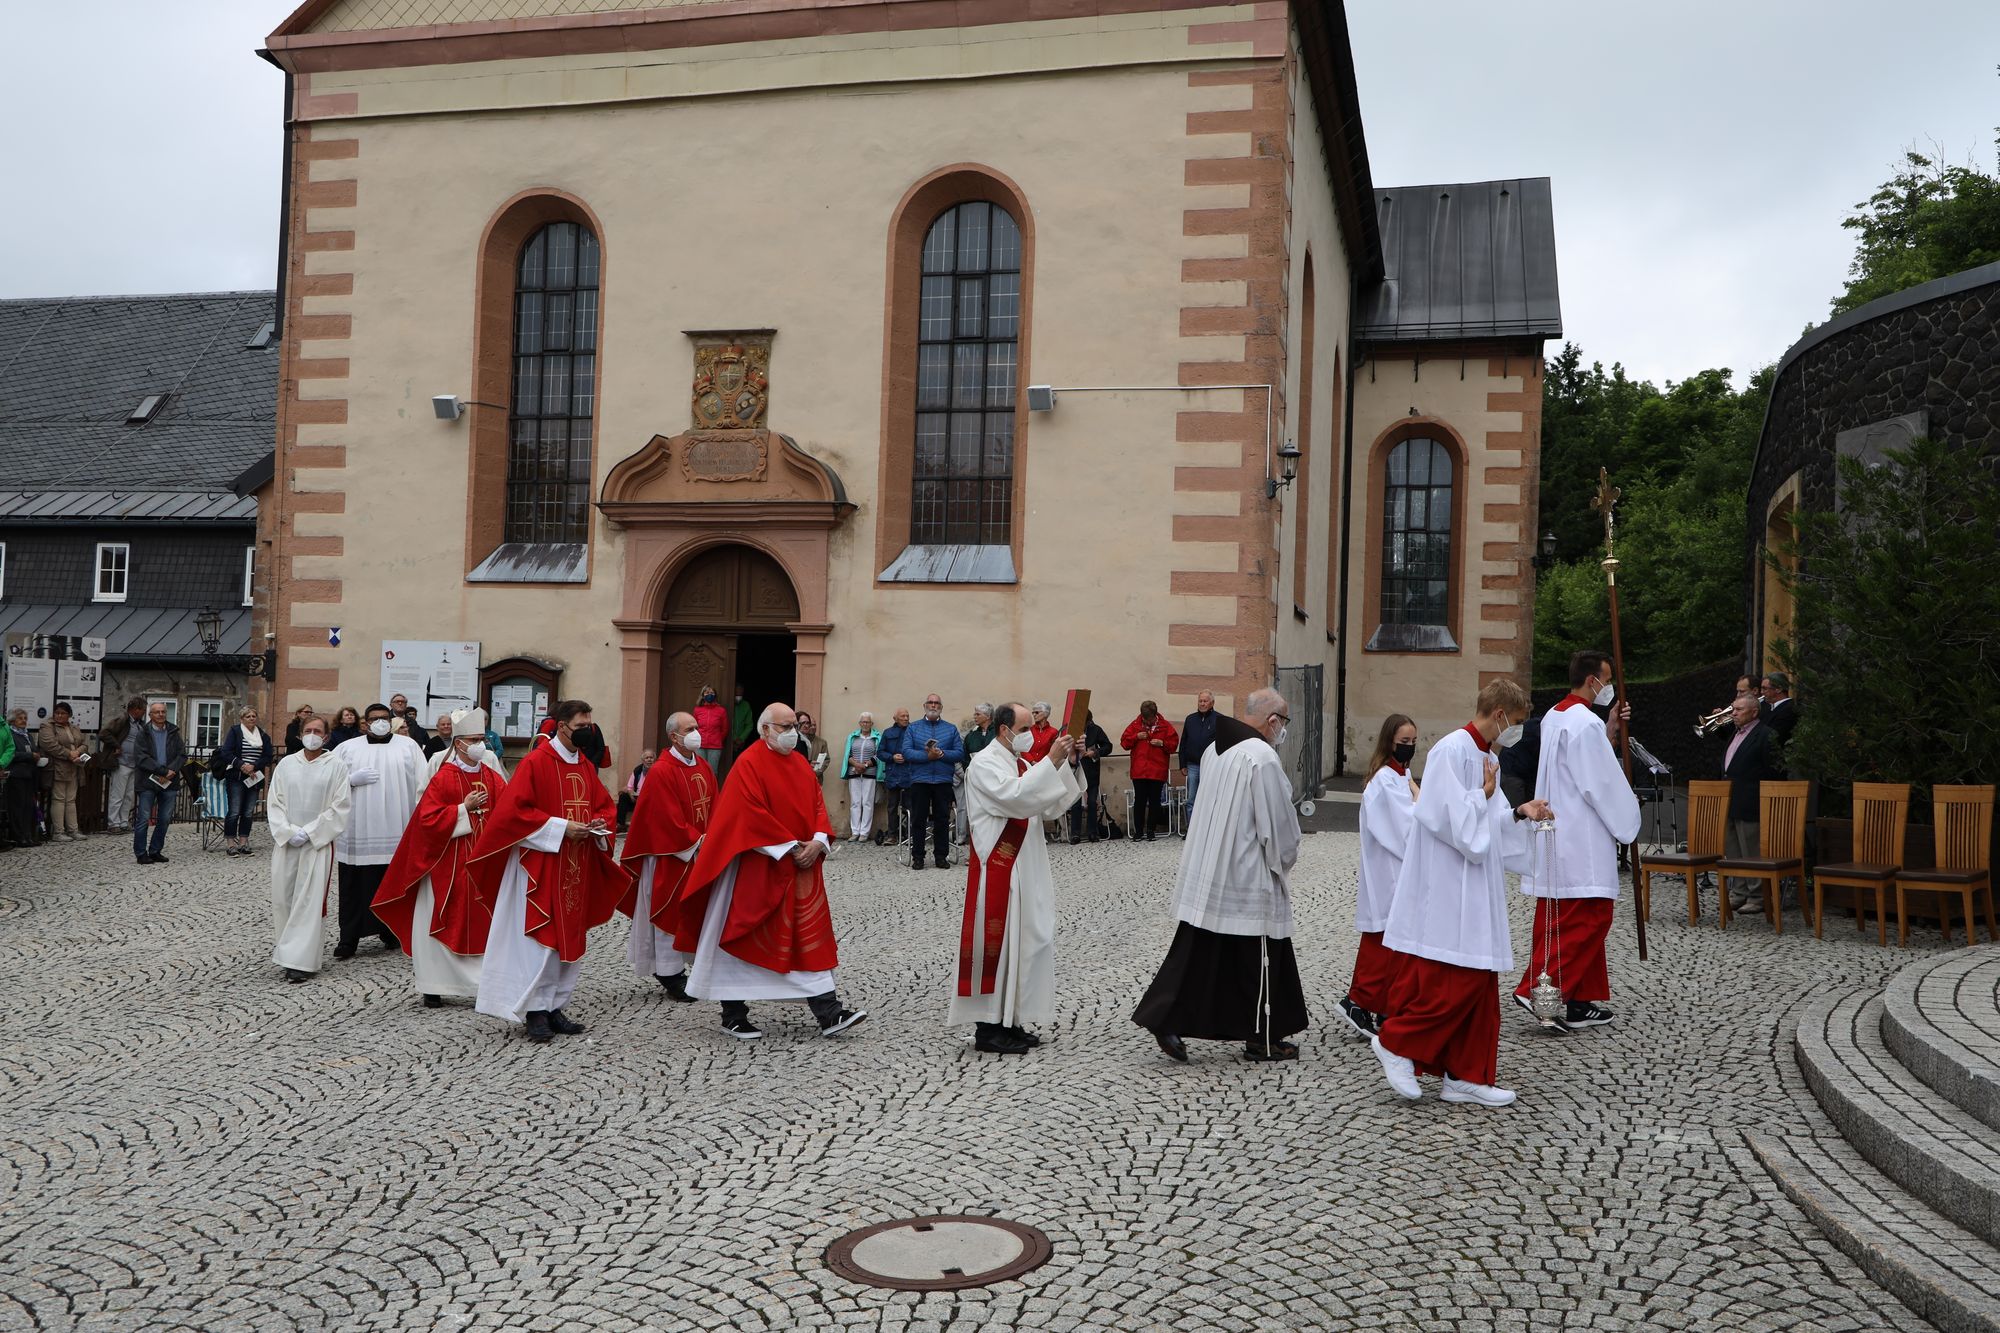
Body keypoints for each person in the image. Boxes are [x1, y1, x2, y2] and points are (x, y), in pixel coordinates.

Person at [1371, 679, 1550, 1108]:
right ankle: (1396, 1041)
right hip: (1448, 882)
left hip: (1476, 882)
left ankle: (1466, 1075)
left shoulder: (1489, 757)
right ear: (1499, 714)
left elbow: (1489, 821)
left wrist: (1518, 813)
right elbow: (1441, 818)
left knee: (1481, 982)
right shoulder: (1449, 751)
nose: (1516, 730)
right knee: (1457, 981)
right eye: (1516, 721)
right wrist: (1483, 795)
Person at [673, 703, 867, 1041]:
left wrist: (818, 841)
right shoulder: (748, 763)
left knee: (807, 939)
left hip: (800, 869)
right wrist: (789, 847)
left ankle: (829, 1011)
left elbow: (818, 806)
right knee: (741, 936)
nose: (793, 733)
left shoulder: (800, 764)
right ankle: (733, 1014)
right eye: (785, 726)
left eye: (794, 726)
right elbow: (745, 813)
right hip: (757, 867)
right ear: (765, 729)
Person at [1133, 689, 1303, 1063]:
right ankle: (1263, 1039)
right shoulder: (1262, 758)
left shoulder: (1215, 749)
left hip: (1212, 866)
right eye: (1284, 722)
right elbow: (1277, 825)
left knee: (1202, 953)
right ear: (1273, 720)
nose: (1283, 730)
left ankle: (1167, 1017)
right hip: (1247, 873)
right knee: (1260, 958)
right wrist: (1284, 861)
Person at [472, 700, 631, 1042]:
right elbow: (513, 813)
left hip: (575, 865)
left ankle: (555, 1005)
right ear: (562, 726)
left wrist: (598, 824)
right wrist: (561, 828)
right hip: (540, 866)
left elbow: (603, 805)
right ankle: (534, 1011)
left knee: (568, 940)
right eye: (581, 725)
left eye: (590, 724)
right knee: (539, 942)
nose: (588, 731)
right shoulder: (536, 762)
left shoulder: (584, 765)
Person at [1510, 652, 1640, 1031]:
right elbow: (1599, 782)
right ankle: (1538, 988)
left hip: (1557, 828)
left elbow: (1577, 764)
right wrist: (1628, 816)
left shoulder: (1556, 715)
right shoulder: (1583, 723)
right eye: (1606, 680)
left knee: (1560, 915)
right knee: (1589, 916)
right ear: (1591, 680)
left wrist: (1609, 727)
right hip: (1582, 835)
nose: (1608, 686)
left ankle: (1580, 1002)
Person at [954, 703, 1081, 1054]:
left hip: (1027, 866)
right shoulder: (984, 763)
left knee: (1025, 943)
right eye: (1024, 729)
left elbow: (1051, 804)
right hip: (1001, 867)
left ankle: (1011, 1021)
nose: (1030, 734)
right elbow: (1017, 798)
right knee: (1000, 945)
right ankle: (988, 1029)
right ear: (1003, 729)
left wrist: (1068, 761)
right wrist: (1051, 760)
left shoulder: (1020, 763)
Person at [375, 709, 507, 1008]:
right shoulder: (444, 776)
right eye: (474, 739)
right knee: (438, 916)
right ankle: (434, 984)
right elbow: (426, 819)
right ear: (459, 743)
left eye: (482, 739)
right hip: (446, 860)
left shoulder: (491, 776)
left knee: (485, 918)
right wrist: (462, 809)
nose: (480, 745)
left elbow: (507, 812)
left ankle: (483, 983)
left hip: (482, 861)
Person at [619, 711, 715, 1002]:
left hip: (699, 852)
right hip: (670, 855)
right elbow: (664, 817)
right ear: (674, 736)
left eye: (697, 727)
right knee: (669, 910)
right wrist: (697, 840)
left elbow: (715, 804)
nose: (696, 733)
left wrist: (715, 836)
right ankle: (669, 972)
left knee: (696, 909)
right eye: (690, 729)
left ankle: (694, 966)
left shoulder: (703, 766)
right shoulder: (661, 770)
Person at [330, 702, 427, 957]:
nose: (380, 722)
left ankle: (391, 932)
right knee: (354, 885)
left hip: (397, 828)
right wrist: (349, 781)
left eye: (385, 717)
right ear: (366, 723)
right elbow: (328, 781)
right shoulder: (347, 748)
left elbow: (423, 785)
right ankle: (349, 938)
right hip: (358, 830)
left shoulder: (409, 747)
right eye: (375, 718)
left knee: (393, 883)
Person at [1342, 714, 1417, 1038]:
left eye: (1413, 742)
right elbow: (1406, 828)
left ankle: (1387, 1007)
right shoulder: (1385, 780)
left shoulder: (1402, 775)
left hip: (1399, 870)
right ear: (1389, 743)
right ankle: (1358, 1002)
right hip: (1388, 872)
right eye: (1404, 742)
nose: (1409, 747)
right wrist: (1421, 799)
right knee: (1381, 942)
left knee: (1397, 944)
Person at [265, 716, 351, 982]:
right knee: (284, 898)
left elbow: (340, 806)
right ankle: (286, 952)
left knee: (310, 901)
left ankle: (301, 961)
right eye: (308, 730)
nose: (312, 735)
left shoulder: (336, 766)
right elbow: (274, 801)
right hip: (287, 842)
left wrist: (311, 832)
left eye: (317, 731)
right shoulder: (287, 764)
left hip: (317, 843)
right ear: (300, 734)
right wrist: (288, 831)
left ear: (326, 737)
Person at [1721, 694, 1785, 913]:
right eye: (1733, 709)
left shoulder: (1766, 735)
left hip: (1752, 802)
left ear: (1754, 712)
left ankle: (1758, 895)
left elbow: (1774, 771)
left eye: (1739, 710)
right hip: (1731, 800)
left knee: (1752, 850)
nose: (1733, 713)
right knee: (1734, 850)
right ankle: (1739, 892)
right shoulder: (1735, 733)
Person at [901, 693, 964, 871]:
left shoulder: (950, 729)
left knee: (942, 820)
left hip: (943, 781)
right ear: (925, 706)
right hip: (920, 780)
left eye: (937, 703)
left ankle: (941, 856)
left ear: (941, 707)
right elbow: (906, 751)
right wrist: (927, 756)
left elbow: (959, 752)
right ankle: (918, 857)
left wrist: (942, 754)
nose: (933, 705)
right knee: (918, 819)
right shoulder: (913, 728)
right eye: (930, 702)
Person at [213, 706, 276, 856]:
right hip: (236, 776)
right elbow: (226, 752)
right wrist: (242, 765)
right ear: (242, 719)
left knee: (248, 812)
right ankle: (230, 844)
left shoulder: (263, 735)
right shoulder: (235, 732)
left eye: (254, 716)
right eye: (248, 716)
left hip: (254, 777)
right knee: (234, 811)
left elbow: (268, 756)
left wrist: (254, 765)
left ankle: (243, 843)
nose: (251, 718)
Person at [132, 702, 186, 865]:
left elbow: (182, 755)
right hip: (148, 781)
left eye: (163, 712)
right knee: (143, 818)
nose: (161, 714)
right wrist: (162, 771)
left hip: (170, 780)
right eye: (157, 712)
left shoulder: (173, 731)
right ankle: (141, 853)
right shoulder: (143, 733)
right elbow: (141, 757)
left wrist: (171, 770)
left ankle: (155, 850)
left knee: (165, 818)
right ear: (150, 715)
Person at [1121, 701, 1179, 841]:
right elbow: (1124, 743)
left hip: (1157, 771)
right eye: (1145, 719)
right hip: (1139, 771)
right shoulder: (1135, 725)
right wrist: (1136, 737)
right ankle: (1139, 832)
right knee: (1139, 801)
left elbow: (1173, 745)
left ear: (1155, 715)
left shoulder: (1165, 726)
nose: (1147, 722)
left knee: (1155, 801)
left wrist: (1162, 743)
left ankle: (1151, 830)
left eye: (1150, 720)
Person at [36, 702, 89, 842]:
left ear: (69, 715)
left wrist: (78, 752)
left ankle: (73, 830)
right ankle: (58, 832)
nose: (59, 715)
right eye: (57, 713)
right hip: (58, 767)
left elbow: (84, 743)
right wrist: (69, 754)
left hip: (74, 767)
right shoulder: (47, 726)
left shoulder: (74, 728)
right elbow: (50, 745)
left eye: (63, 713)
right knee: (59, 799)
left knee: (71, 800)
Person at [99, 697, 147, 834]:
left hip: (134, 764)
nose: (144, 712)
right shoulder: (123, 720)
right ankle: (113, 823)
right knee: (118, 794)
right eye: (143, 710)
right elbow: (104, 733)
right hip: (121, 762)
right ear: (136, 710)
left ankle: (123, 821)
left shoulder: (139, 724)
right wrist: (116, 745)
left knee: (128, 795)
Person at [1066, 711, 1113, 844]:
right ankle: (1075, 834)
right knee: (1075, 803)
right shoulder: (1072, 731)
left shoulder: (1095, 730)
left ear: (1088, 721)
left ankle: (1093, 833)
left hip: (1091, 773)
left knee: (1092, 802)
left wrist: (1095, 752)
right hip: (1075, 771)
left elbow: (1108, 747)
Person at [1177, 691, 1219, 832]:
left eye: (1205, 701)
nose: (1202, 704)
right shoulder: (1190, 719)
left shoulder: (1219, 719)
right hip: (1193, 765)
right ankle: (1192, 831)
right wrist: (1182, 764)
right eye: (1200, 701)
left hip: (1211, 766)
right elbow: (1183, 742)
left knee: (1210, 799)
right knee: (1191, 800)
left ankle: (1208, 831)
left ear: (1212, 703)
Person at [841, 713, 882, 842]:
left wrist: (865, 765)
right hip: (854, 772)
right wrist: (857, 765)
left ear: (871, 724)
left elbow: (878, 755)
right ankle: (855, 831)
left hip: (870, 773)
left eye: (867, 722)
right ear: (859, 723)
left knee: (867, 802)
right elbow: (848, 754)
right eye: (863, 722)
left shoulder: (876, 737)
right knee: (855, 802)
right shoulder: (853, 737)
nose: (865, 724)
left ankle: (864, 832)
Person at [3, 710, 39, 848]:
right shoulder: (10, 735)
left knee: (28, 806)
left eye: (25, 718)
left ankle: (27, 835)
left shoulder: (27, 735)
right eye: (20, 718)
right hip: (16, 774)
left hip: (29, 774)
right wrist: (30, 756)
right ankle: (18, 836)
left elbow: (34, 749)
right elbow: (11, 753)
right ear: (12, 721)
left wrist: (36, 755)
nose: (24, 720)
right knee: (17, 807)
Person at [877, 707, 911, 846]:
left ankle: (910, 835)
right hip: (893, 774)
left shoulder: (913, 730)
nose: (906, 718)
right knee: (892, 807)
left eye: (907, 716)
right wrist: (892, 757)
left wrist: (908, 756)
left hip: (909, 774)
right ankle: (892, 835)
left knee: (910, 807)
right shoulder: (888, 733)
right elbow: (880, 752)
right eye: (903, 716)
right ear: (895, 718)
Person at [618, 748, 655, 831]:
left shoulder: (657, 771)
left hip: (650, 800)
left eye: (651, 757)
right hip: (637, 798)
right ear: (643, 760)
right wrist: (631, 793)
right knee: (623, 797)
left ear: (654, 759)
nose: (649, 760)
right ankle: (621, 824)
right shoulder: (637, 771)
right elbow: (629, 787)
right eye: (647, 758)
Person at [693, 686, 728, 773]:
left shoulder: (721, 711)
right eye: (707, 693)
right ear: (703, 695)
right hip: (700, 746)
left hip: (715, 747)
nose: (709, 695)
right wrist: (698, 739)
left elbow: (725, 729)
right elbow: (694, 727)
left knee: (712, 772)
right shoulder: (697, 710)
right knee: (700, 771)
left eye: (712, 693)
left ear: (715, 695)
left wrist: (718, 739)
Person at [1759, 672, 1798, 746]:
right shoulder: (1768, 708)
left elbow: (1774, 737)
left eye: (1765, 689)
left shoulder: (1789, 710)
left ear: (1779, 689)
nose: (1761, 692)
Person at [797, 712, 830, 779]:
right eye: (811, 725)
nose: (813, 727)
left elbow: (826, 760)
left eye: (815, 725)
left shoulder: (822, 742)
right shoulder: (798, 740)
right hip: (800, 776)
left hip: (816, 777)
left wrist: (815, 773)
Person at [728, 686, 755, 766]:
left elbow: (749, 725)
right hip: (728, 741)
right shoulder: (728, 702)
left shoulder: (746, 705)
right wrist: (734, 738)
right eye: (736, 695)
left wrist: (741, 738)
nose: (738, 697)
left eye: (740, 695)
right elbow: (725, 724)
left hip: (740, 743)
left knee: (739, 764)